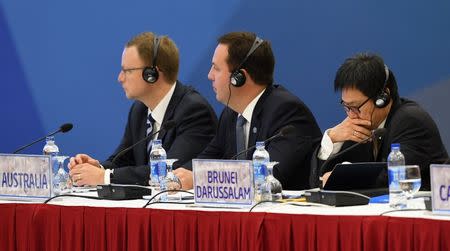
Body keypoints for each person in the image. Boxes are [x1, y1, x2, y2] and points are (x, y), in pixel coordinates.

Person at [174, 31, 322, 190]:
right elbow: (207, 159)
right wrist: (179, 176)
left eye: (216, 68)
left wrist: (201, 178)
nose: (210, 75)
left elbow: (270, 176)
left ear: (239, 77)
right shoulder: (231, 114)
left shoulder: (286, 111)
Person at [69, 32, 217, 186]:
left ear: (151, 74)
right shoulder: (139, 110)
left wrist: (105, 176)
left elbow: (167, 172)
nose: (120, 78)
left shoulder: (194, 111)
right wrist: (97, 168)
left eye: (128, 71)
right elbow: (123, 160)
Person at [309, 53, 448, 190]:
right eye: (346, 107)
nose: (351, 115)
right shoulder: (359, 124)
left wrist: (341, 178)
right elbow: (317, 182)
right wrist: (332, 139)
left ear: (382, 97)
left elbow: (392, 181)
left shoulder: (411, 122)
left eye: (355, 107)